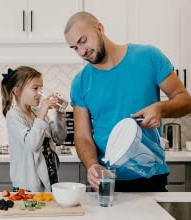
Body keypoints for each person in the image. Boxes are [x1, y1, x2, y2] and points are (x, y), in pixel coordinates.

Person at [64, 12, 191, 192]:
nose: (81, 51)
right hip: (107, 180)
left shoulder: (148, 56)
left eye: (83, 40)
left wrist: (160, 108)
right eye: (74, 48)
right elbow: (82, 136)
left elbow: (185, 100)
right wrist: (92, 165)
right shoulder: (80, 82)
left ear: (99, 28)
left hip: (150, 175)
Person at [1, 66, 67, 192]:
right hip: (28, 186)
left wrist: (60, 113)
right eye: (35, 88)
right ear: (17, 91)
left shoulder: (37, 113)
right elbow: (32, 145)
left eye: (41, 87)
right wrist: (43, 111)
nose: (40, 93)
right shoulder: (14, 115)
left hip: (50, 178)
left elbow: (60, 138)